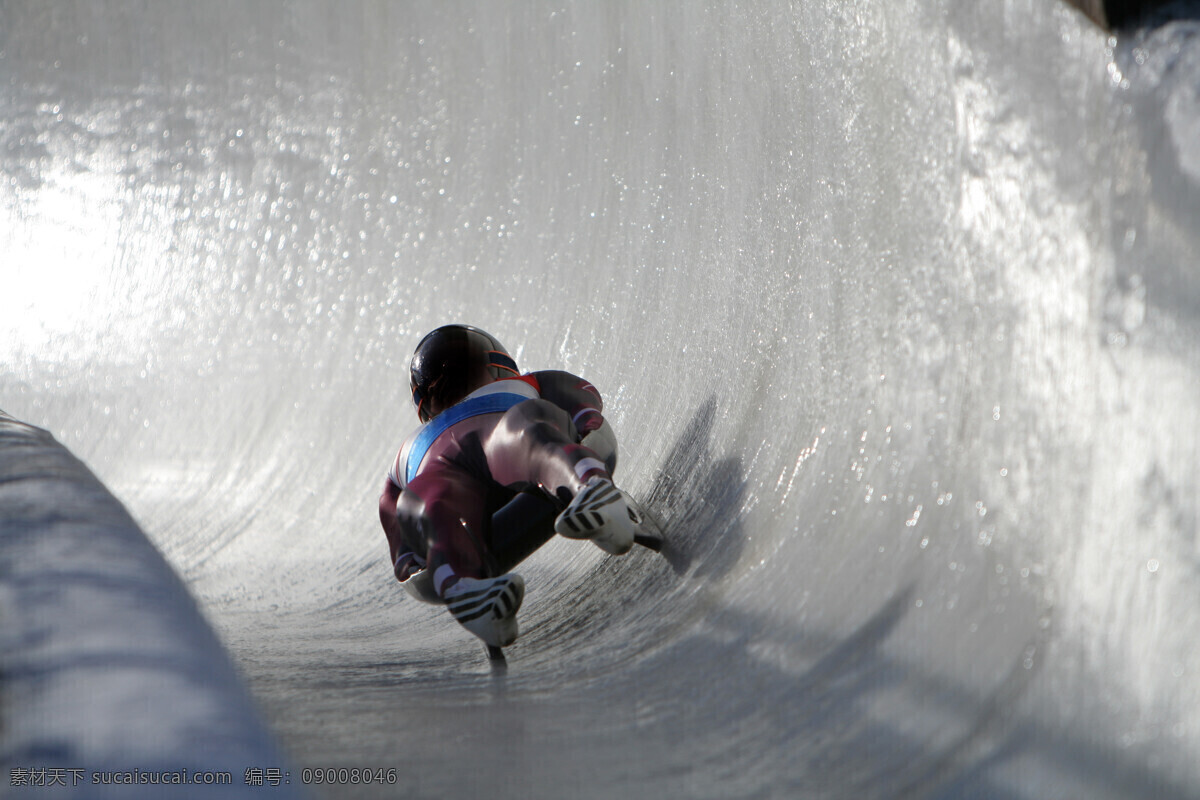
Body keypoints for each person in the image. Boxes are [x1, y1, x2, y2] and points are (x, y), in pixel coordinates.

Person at [378, 324, 636, 648]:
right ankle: (588, 486)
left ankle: (460, 582)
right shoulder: (526, 384)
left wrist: (410, 562)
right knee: (531, 433)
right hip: (501, 435)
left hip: (447, 462)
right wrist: (588, 434)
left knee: (428, 499)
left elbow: (391, 508)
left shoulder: (408, 450)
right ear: (497, 365)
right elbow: (584, 401)